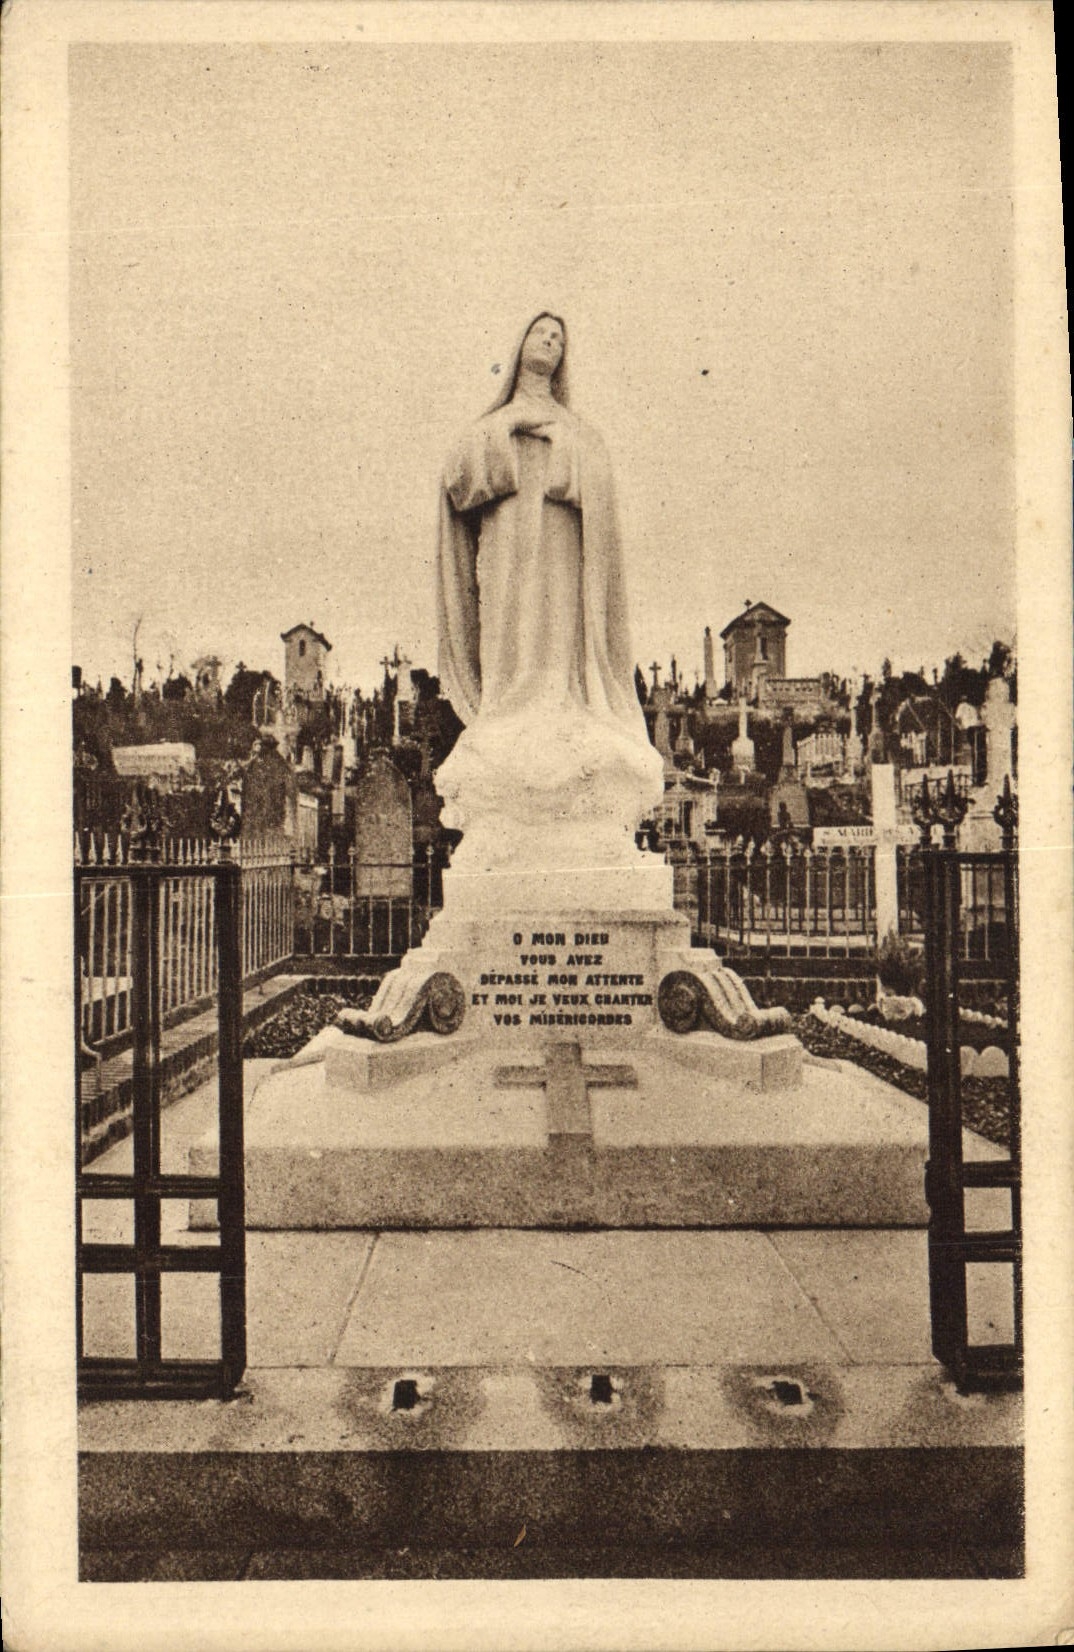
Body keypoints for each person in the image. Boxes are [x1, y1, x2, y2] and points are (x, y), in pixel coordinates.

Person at [434, 313, 663, 870]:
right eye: (542, 332)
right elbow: (458, 484)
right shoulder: (491, 425)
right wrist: (509, 434)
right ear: (520, 344)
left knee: (558, 631)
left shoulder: (577, 429)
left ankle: (561, 706)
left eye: (559, 337)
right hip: (507, 549)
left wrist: (563, 448)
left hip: (562, 553)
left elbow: (599, 488)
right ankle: (509, 712)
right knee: (509, 631)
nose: (552, 341)